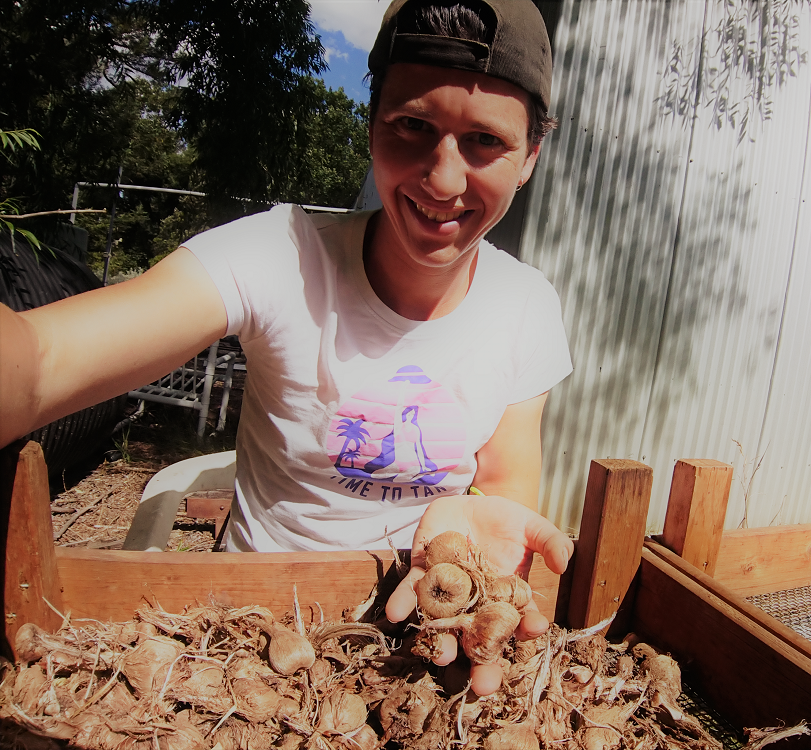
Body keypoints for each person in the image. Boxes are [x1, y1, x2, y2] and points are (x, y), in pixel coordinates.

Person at [0, 0, 572, 695]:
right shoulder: (279, 256)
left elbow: (507, 480)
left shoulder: (527, 304)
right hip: (252, 632)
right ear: (370, 124)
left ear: (531, 156)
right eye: (412, 127)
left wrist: (468, 544)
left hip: (416, 637)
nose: (443, 179)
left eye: (486, 142)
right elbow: (43, 360)